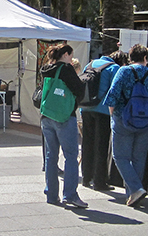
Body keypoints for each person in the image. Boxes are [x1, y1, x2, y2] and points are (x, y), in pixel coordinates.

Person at [102, 44, 148, 207]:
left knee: (120, 157)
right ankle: (133, 194)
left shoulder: (123, 71)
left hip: (123, 119)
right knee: (139, 158)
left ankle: (136, 189)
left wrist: (113, 115)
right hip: (146, 122)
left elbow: (112, 96)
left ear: (130, 58)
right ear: (145, 58)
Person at [38, 43, 87, 208]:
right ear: (65, 54)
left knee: (51, 156)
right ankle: (70, 194)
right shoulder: (66, 69)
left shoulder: (46, 68)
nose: (71, 60)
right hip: (64, 116)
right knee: (71, 155)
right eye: (71, 56)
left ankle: (51, 193)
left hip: (46, 115)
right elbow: (80, 89)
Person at [80, 50, 128, 192]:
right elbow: (117, 90)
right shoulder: (114, 68)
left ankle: (86, 177)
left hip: (86, 108)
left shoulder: (90, 64)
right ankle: (99, 181)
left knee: (87, 142)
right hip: (102, 111)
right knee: (101, 145)